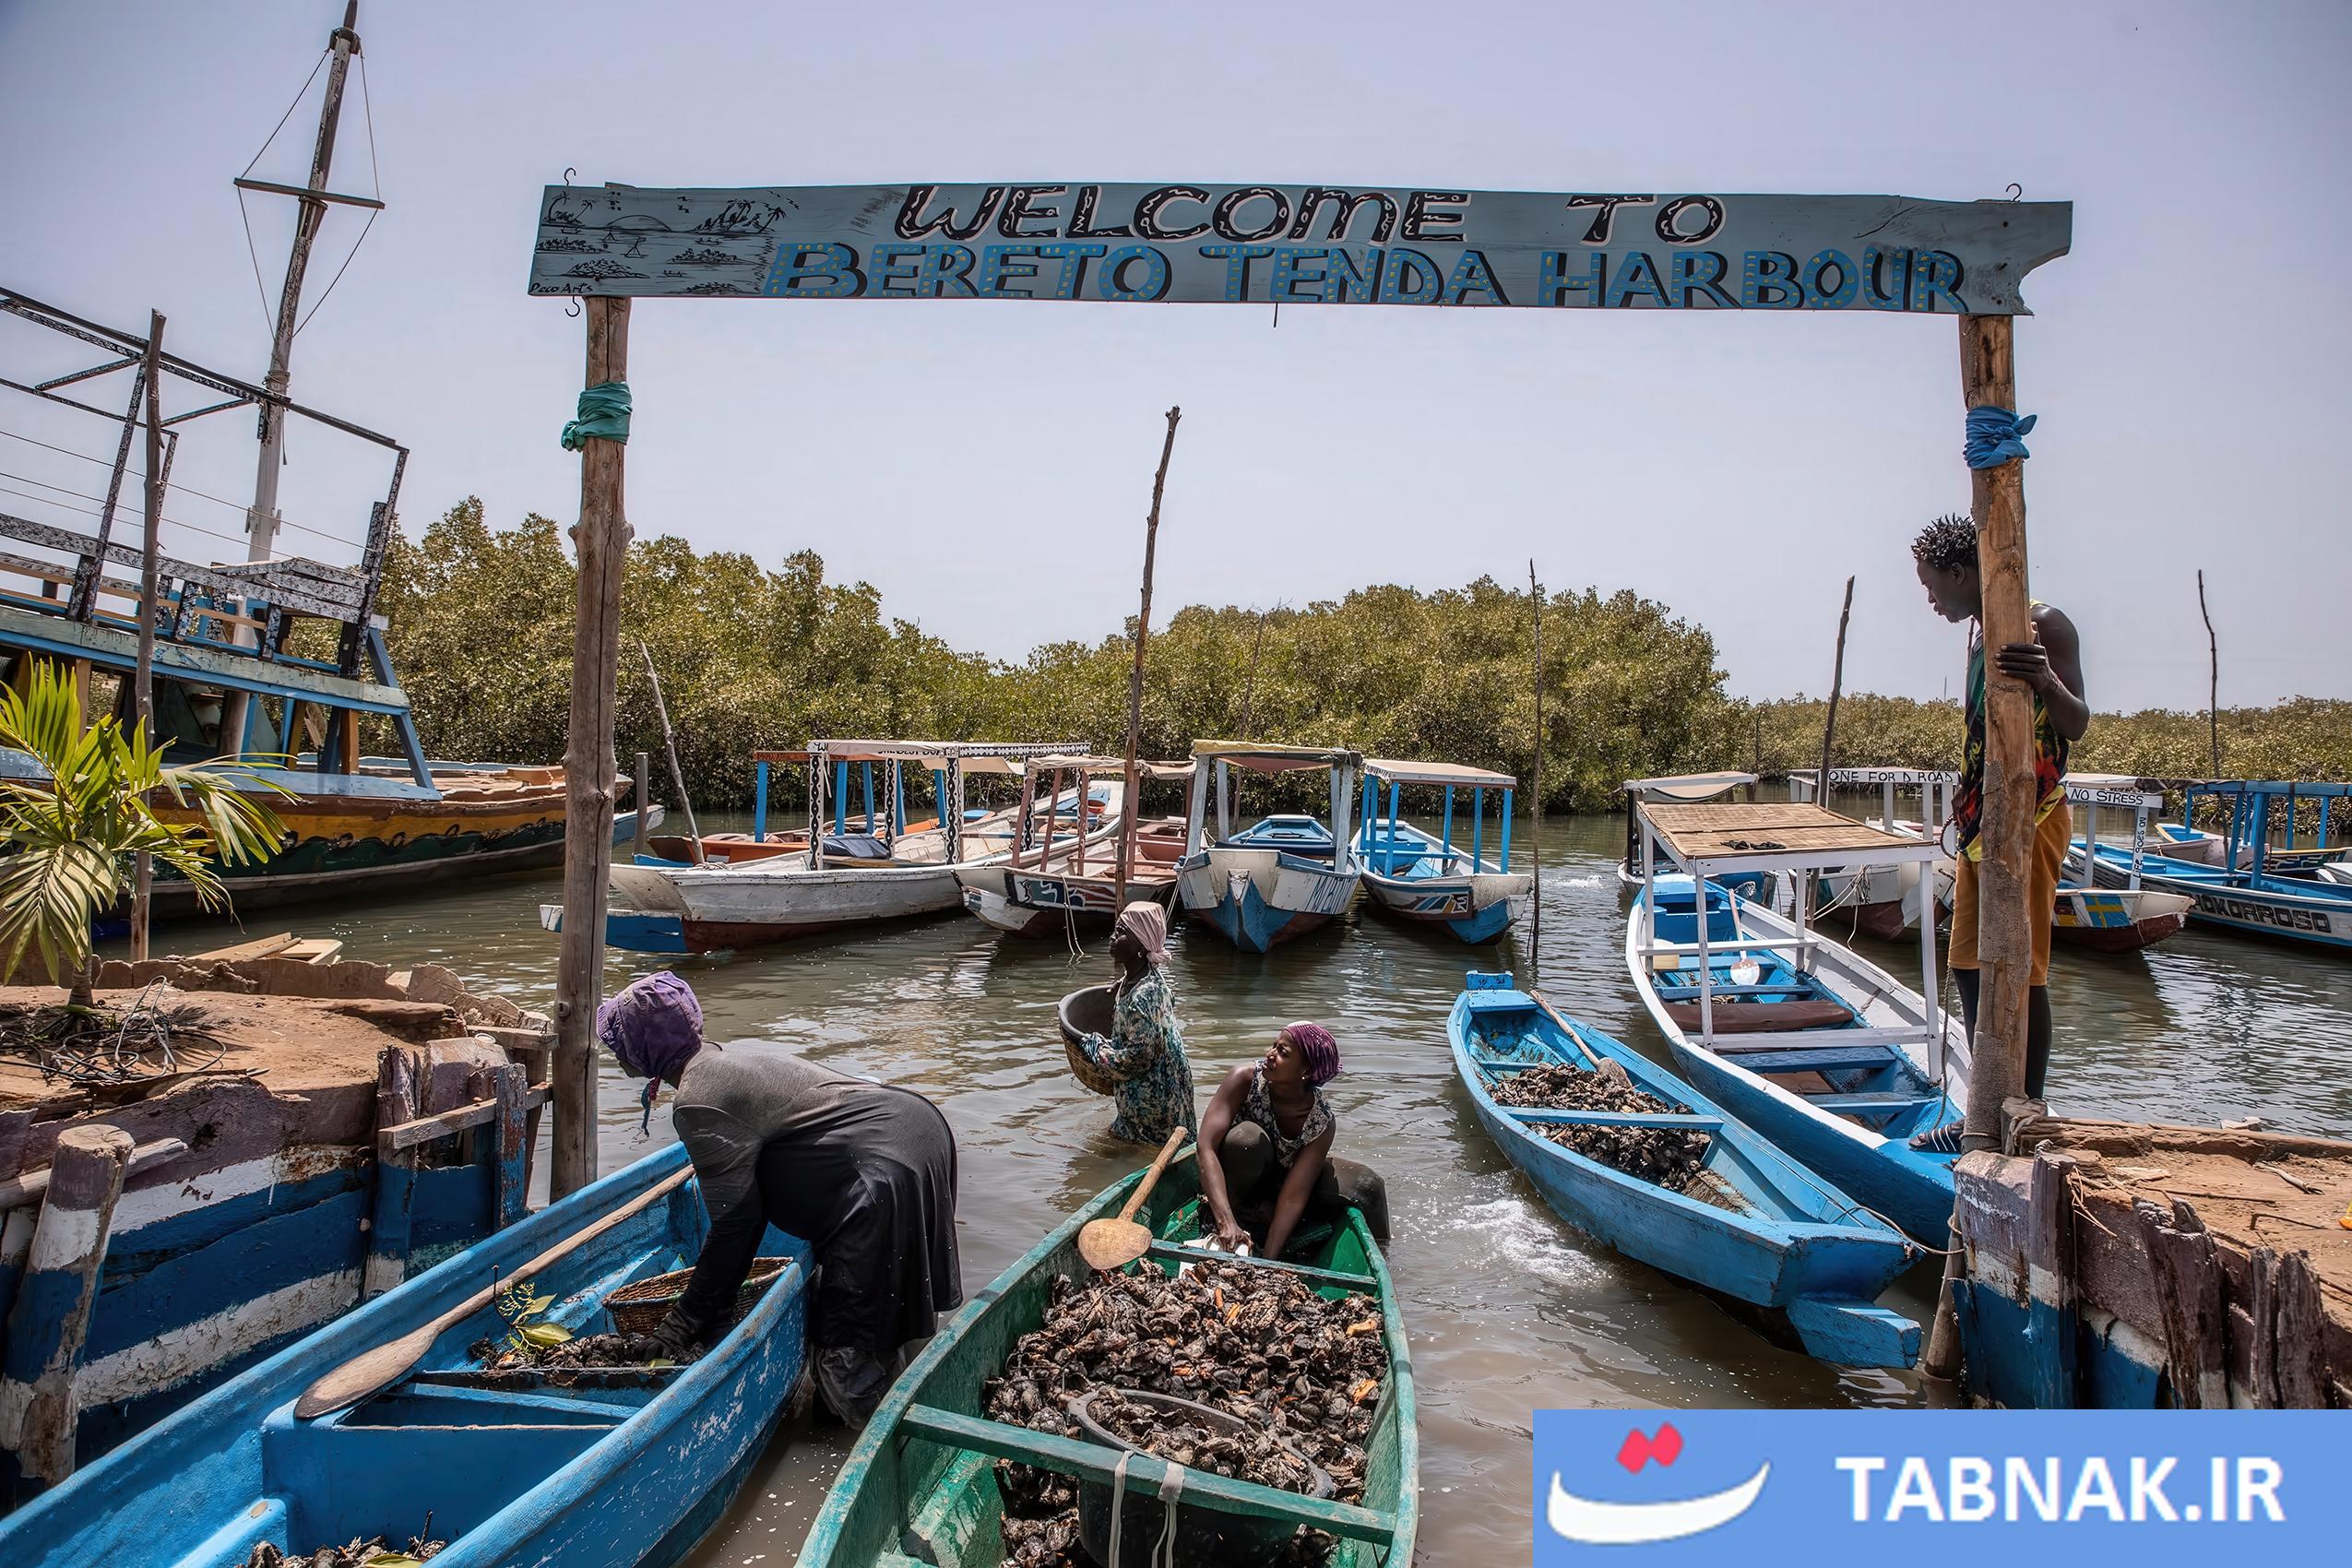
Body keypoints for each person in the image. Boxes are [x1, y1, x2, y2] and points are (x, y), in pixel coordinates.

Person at [596, 970, 962, 1430]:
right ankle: (893, 1409)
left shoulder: (696, 1099)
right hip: (919, 1130)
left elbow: (736, 1224)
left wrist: (683, 1321)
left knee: (845, 1361)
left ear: (641, 1047)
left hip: (880, 1174)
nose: (615, 1051)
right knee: (887, 1316)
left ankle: (882, 1447)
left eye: (620, 1038)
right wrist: (711, 1308)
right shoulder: (725, 1060)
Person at [1911, 512, 2089, 1149]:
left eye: (1932, 586)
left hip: (2031, 818)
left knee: (2026, 967)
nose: (1930, 599)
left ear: (1960, 573)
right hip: (1983, 823)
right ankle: (1985, 1106)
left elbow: (2076, 724)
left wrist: (2044, 677)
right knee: (1966, 960)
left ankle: (2027, 1113)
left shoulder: (2042, 623)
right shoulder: (1980, 631)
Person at [1194, 1021, 1389, 1261]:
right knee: (1246, 1139)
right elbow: (1205, 1147)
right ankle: (1233, 1215)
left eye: (1283, 1053)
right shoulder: (1244, 1080)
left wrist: (1270, 1260)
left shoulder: (1321, 1120)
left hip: (1283, 1181)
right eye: (1274, 1046)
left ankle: (1382, 1262)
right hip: (1242, 1172)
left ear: (1305, 1072)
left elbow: (1294, 1195)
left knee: (1369, 1186)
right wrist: (1226, 1223)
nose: (1270, 1054)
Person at [1072, 901, 1198, 1145]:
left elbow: (1139, 1058)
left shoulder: (1144, 994)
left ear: (1140, 946)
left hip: (1156, 1100)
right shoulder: (1140, 978)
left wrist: (1097, 1048)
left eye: (1121, 933)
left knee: (1145, 1150)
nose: (1113, 937)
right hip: (1156, 1092)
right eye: (1115, 930)